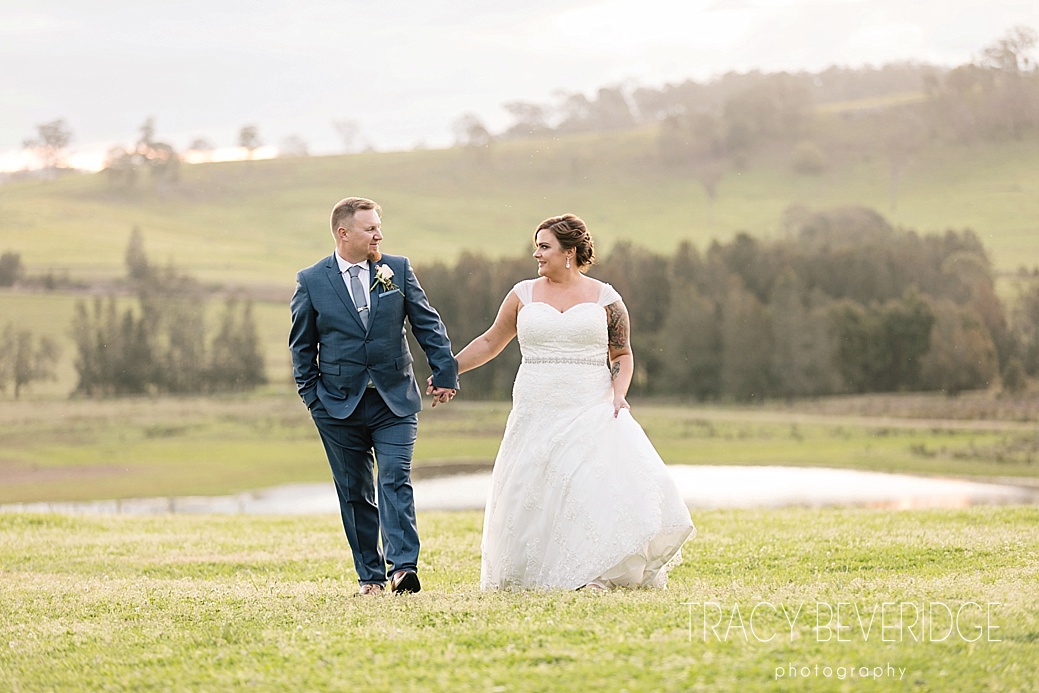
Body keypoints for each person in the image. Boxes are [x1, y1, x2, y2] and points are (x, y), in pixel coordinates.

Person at [444, 214, 695, 590]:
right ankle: (532, 575)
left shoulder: (605, 298)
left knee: (586, 486)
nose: (536, 254)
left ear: (569, 252)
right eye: (537, 246)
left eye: (544, 246)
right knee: (535, 488)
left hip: (589, 405)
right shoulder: (522, 294)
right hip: (535, 405)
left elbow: (622, 354)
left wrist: (619, 394)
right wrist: (449, 371)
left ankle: (593, 575)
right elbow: (490, 342)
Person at [290, 196, 458, 596]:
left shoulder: (396, 269)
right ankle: (370, 577)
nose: (379, 234)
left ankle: (403, 568)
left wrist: (445, 372)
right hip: (336, 406)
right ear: (343, 233)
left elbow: (426, 324)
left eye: (379, 226)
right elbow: (301, 348)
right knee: (354, 493)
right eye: (370, 228)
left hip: (394, 401)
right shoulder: (311, 281)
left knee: (395, 477)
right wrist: (314, 401)